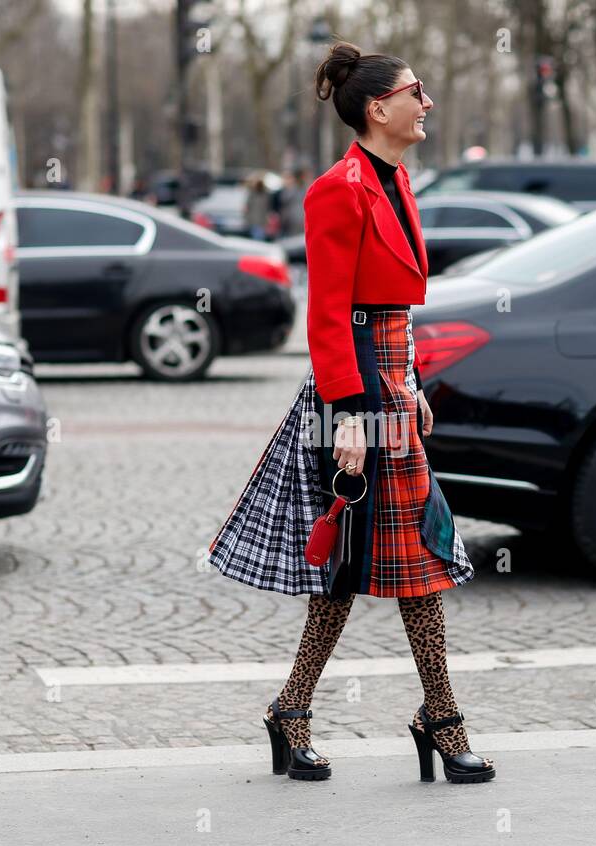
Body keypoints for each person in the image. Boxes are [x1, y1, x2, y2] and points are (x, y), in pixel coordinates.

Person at [206, 39, 494, 785]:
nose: (426, 102)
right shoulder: (337, 189)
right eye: (415, 91)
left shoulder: (394, 180)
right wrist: (353, 418)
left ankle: (310, 710)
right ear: (378, 108)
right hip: (356, 396)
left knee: (381, 561)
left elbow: (389, 307)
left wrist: (412, 381)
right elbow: (333, 315)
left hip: (387, 383)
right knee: (385, 563)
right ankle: (417, 716)